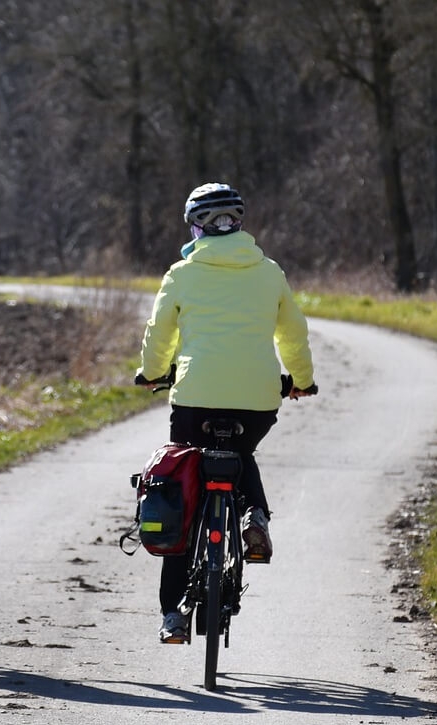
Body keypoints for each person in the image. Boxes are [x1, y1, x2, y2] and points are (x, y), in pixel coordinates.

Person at [136, 182, 316, 643]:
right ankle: (254, 515)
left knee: (187, 489)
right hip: (257, 397)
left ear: (195, 226)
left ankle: (173, 615)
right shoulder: (269, 271)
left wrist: (153, 373)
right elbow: (293, 333)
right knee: (241, 454)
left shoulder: (181, 273)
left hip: (194, 395)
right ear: (238, 223)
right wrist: (301, 380)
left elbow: (160, 335)